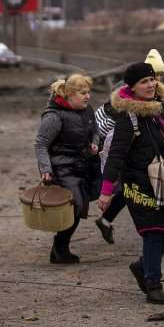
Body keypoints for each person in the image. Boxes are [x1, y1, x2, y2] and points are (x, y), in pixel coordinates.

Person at [98, 62, 164, 305]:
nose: (150, 85)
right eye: (143, 82)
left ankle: (142, 266)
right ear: (132, 87)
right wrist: (106, 192)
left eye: (151, 80)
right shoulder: (128, 116)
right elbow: (116, 154)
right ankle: (153, 284)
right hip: (139, 183)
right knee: (154, 230)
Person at [35, 74, 97, 263]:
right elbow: (41, 144)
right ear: (69, 95)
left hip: (84, 165)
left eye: (88, 92)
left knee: (81, 205)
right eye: (82, 93)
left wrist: (95, 143)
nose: (87, 96)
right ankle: (60, 247)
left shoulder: (87, 110)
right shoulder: (54, 116)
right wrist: (46, 168)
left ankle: (60, 248)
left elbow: (95, 131)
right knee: (75, 206)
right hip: (63, 168)